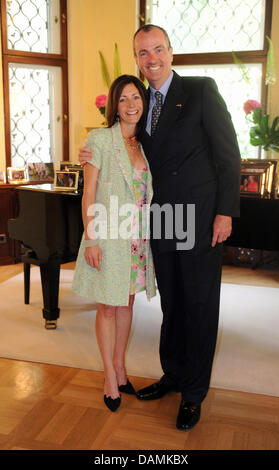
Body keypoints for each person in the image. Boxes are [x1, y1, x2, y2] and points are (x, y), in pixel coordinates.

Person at [78, 24, 241, 430]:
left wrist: (225, 211)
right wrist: (92, 146)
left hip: (199, 221)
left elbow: (229, 154)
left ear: (171, 52)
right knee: (173, 306)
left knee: (199, 307)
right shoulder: (139, 104)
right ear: (137, 59)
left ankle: (194, 393)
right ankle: (174, 374)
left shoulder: (201, 91)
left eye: (158, 50)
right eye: (143, 53)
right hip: (159, 224)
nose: (151, 59)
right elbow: (120, 145)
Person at [72, 74, 156, 412]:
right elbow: (87, 193)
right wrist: (91, 238)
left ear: (144, 102)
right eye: (123, 99)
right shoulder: (100, 140)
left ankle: (121, 368)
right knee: (107, 305)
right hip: (108, 235)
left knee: (126, 304)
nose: (131, 105)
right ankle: (109, 377)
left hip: (137, 238)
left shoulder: (147, 143)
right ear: (114, 105)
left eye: (136, 97)